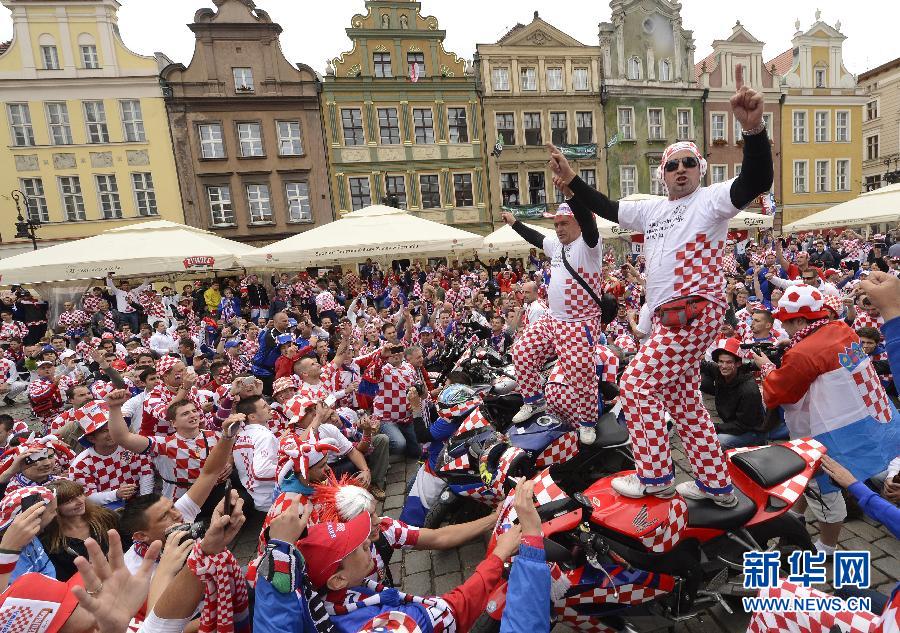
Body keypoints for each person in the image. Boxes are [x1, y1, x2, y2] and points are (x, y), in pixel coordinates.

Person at [553, 64, 772, 505]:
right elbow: (608, 207)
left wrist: (753, 131)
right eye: (672, 165)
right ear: (663, 174)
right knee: (684, 400)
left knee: (635, 384)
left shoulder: (709, 201)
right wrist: (572, 181)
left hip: (690, 310)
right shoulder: (652, 210)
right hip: (672, 317)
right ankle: (715, 484)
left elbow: (756, 180)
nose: (680, 169)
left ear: (700, 170)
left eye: (689, 163)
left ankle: (654, 476)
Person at [751, 283, 899, 555]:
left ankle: (827, 547)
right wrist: (795, 345)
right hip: (867, 417)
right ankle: (795, 519)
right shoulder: (842, 329)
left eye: (787, 323)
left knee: (825, 487)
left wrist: (768, 367)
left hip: (825, 433)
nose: (785, 329)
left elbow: (776, 393)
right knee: (806, 477)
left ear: (798, 319)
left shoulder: (802, 353)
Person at [501, 198, 604, 444]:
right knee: (522, 352)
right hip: (553, 319)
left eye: (564, 223)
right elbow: (536, 237)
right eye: (556, 223)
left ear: (579, 223)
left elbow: (590, 224)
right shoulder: (557, 245)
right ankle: (534, 401)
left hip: (579, 323)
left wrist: (571, 192)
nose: (558, 228)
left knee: (581, 374)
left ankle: (588, 423)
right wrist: (515, 223)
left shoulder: (589, 244)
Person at [39, 479, 119, 581]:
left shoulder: (106, 517)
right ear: (55, 507)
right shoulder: (48, 541)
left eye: (80, 494)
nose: (80, 501)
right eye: (70, 500)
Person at [700, 338, 766, 448]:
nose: (724, 366)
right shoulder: (719, 370)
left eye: (729, 362)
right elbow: (705, 365)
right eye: (721, 361)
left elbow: (743, 425)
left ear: (738, 363)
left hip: (751, 431)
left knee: (716, 441)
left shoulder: (748, 390)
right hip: (734, 424)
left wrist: (715, 427)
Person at [252, 311, 292, 395]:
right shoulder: (271, 335)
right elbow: (284, 348)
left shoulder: (284, 332)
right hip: (262, 370)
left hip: (272, 369)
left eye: (288, 321)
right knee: (273, 395)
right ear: (276, 322)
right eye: (284, 321)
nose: (287, 323)